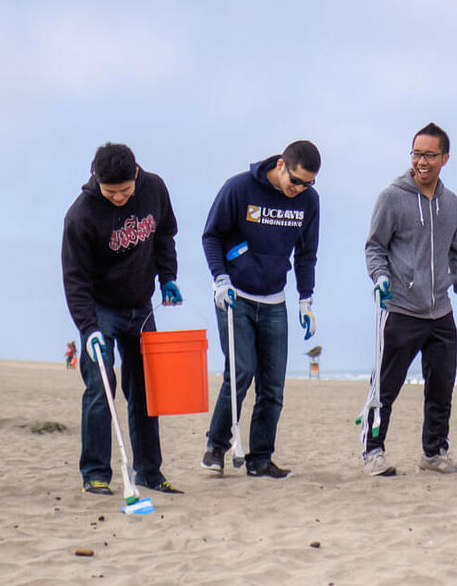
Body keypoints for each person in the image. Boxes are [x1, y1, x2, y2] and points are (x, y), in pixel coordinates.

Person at [362, 123, 457, 477]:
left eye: (429, 155)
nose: (421, 161)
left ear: (445, 158)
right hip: (400, 308)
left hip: (440, 312)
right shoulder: (392, 197)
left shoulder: (451, 204)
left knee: (441, 389)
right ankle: (373, 450)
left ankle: (434, 453)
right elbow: (375, 247)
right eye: (416, 153)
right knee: (385, 387)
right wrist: (381, 277)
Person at [62, 142, 184, 496]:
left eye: (125, 191)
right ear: (97, 179)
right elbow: (75, 279)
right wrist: (88, 330)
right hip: (101, 310)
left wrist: (168, 277)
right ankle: (96, 474)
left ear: (136, 175)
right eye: (111, 192)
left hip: (141, 305)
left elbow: (164, 235)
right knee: (101, 388)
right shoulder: (81, 215)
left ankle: (149, 471)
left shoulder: (154, 188)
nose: (119, 198)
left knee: (146, 391)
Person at [200, 140, 321, 479]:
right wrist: (220, 278)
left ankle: (260, 459)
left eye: (308, 183)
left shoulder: (309, 202)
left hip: (274, 300)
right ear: (281, 165)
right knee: (241, 372)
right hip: (234, 294)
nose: (299, 189)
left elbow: (306, 253)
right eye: (295, 180)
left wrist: (305, 299)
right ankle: (215, 448)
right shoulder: (238, 188)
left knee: (273, 385)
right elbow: (211, 236)